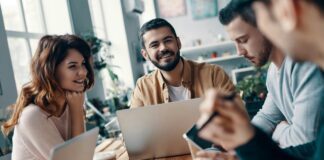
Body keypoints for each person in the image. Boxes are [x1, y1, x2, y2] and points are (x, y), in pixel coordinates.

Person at [196, 0, 324, 159]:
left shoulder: (304, 64)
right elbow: (268, 116)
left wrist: (275, 131)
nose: (239, 52)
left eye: (243, 40)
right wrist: (239, 143)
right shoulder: (273, 72)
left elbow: (304, 140)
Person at [1, 35, 95, 160]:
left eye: (83, 64)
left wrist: (76, 108)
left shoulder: (70, 104)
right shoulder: (33, 115)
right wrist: (77, 110)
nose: (83, 72)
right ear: (51, 70)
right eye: (72, 66)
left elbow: (81, 155)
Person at [130, 18, 235, 108]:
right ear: (145, 55)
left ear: (178, 43)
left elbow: (237, 116)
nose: (163, 48)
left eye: (168, 40)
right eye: (154, 45)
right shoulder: (143, 87)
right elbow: (136, 128)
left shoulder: (213, 74)